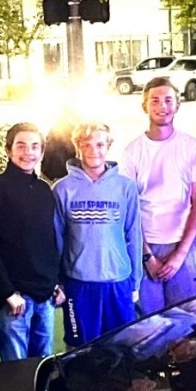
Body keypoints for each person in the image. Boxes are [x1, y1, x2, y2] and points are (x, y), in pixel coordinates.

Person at [0, 123, 64, 361]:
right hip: (15, 298)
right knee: (15, 369)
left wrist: (56, 283)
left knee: (44, 363)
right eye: (21, 145)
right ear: (8, 150)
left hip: (45, 295)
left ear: (42, 152)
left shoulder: (45, 191)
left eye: (35, 146)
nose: (28, 152)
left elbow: (50, 242)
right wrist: (6, 292)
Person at [120, 77, 196, 313]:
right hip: (147, 246)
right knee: (151, 326)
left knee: (188, 323)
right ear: (145, 106)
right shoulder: (132, 152)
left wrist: (180, 254)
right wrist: (147, 256)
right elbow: (131, 210)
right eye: (155, 101)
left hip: (185, 246)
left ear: (177, 105)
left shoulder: (191, 147)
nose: (163, 106)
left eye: (168, 100)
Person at [54, 122, 143, 346]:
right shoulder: (62, 189)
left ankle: (123, 383)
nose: (94, 150)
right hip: (79, 284)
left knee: (124, 346)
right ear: (78, 148)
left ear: (108, 146)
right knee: (81, 350)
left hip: (118, 282)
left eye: (100, 144)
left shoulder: (125, 187)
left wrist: (135, 281)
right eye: (87, 145)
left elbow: (134, 234)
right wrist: (59, 281)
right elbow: (57, 238)